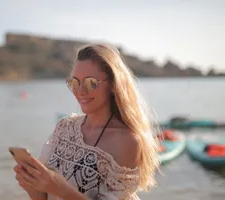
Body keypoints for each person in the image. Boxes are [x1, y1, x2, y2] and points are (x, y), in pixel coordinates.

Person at [13, 44, 160, 200]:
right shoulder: (65, 127)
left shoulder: (126, 141)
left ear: (113, 84)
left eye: (91, 83)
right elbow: (43, 198)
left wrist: (60, 189)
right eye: (75, 82)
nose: (81, 91)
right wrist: (31, 186)